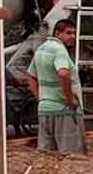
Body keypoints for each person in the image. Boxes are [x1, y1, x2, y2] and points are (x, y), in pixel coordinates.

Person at [26, 19, 86, 154]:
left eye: (74, 33)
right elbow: (64, 73)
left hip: (44, 110)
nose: (73, 37)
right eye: (68, 33)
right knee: (71, 156)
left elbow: (30, 75)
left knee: (47, 156)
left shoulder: (41, 49)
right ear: (57, 33)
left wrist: (40, 97)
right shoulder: (60, 50)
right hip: (63, 111)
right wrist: (70, 100)